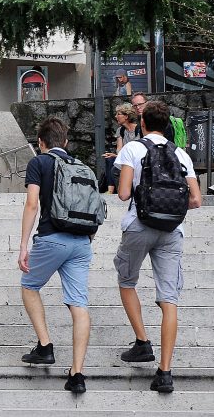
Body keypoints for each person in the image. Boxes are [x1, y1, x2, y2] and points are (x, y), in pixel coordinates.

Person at [113, 100, 202, 393]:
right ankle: (165, 372)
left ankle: (142, 342)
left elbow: (124, 194)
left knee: (127, 281)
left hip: (139, 226)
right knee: (169, 299)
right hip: (172, 229)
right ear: (166, 125)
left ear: (143, 124)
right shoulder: (181, 154)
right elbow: (196, 200)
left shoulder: (133, 148)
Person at [18, 117, 93, 394]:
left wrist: (24, 245)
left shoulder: (39, 162)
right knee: (79, 304)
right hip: (82, 242)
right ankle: (77, 374)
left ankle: (45, 346)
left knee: (29, 286)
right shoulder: (82, 166)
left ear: (41, 143)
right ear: (66, 142)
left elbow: (31, 204)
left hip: (51, 238)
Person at [102, 103, 139, 193]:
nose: (115, 116)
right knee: (110, 159)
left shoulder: (139, 130)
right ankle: (110, 191)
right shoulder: (120, 130)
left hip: (136, 159)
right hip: (125, 158)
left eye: (118, 114)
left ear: (126, 116)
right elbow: (119, 149)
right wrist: (115, 155)